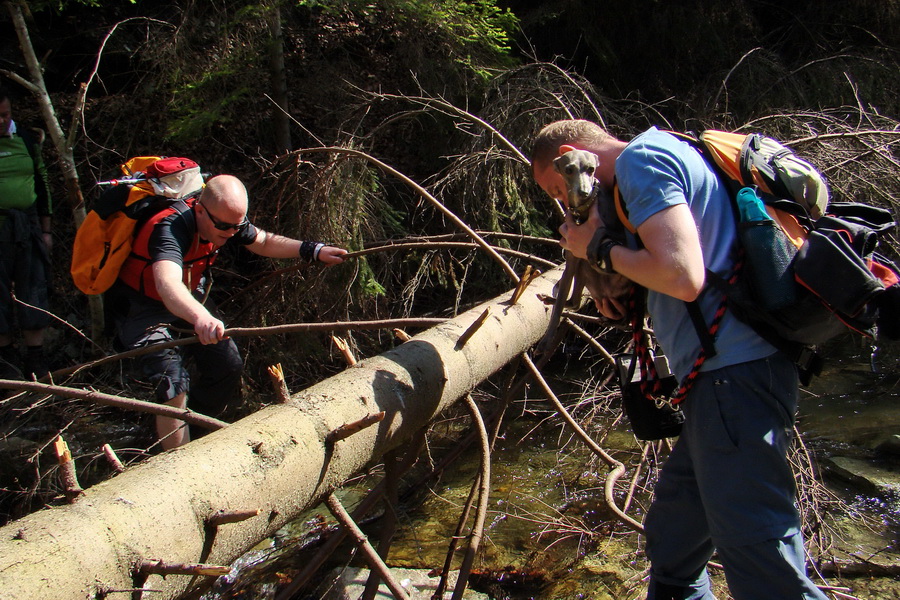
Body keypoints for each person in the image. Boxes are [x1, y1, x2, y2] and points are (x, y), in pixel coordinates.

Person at [531, 119, 828, 600]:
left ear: (571, 156)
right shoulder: (668, 150)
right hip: (723, 380)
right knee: (673, 540)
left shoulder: (640, 164)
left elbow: (682, 275)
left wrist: (598, 248)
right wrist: (620, 284)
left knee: (761, 560)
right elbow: (693, 264)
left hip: (734, 377)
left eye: (555, 188)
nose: (564, 203)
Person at [107, 174, 347, 450]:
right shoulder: (169, 228)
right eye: (223, 227)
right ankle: (177, 467)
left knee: (227, 365)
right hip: (144, 307)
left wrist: (313, 250)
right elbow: (167, 284)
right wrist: (201, 317)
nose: (231, 234)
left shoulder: (226, 220)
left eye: (236, 227)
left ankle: (194, 435)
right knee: (172, 385)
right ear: (199, 209)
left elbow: (263, 241)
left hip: (189, 299)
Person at [0, 86, 53, 381]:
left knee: (33, 286)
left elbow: (42, 181)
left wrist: (46, 230)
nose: (1, 121)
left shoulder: (25, 138)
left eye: (5, 115)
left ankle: (37, 359)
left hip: (27, 227)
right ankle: (7, 363)